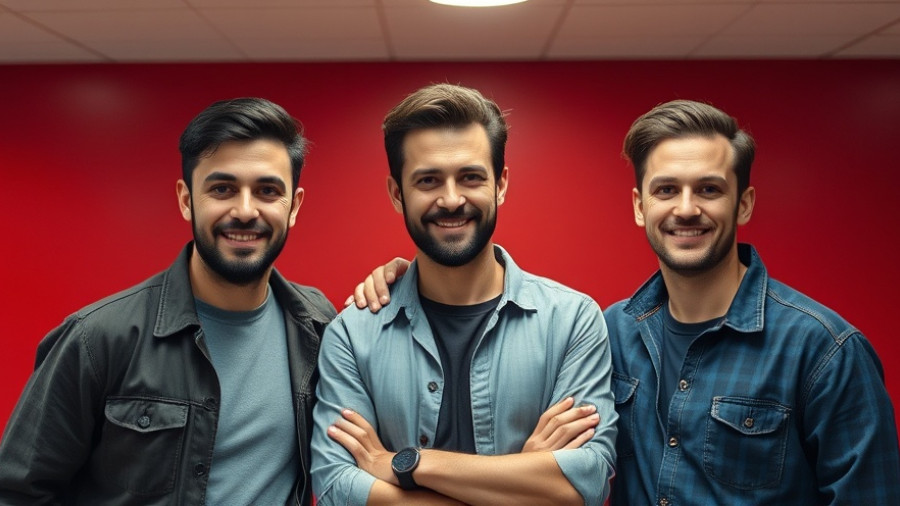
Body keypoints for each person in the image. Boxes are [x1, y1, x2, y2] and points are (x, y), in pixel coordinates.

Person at [352, 99, 900, 505]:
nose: (686, 209)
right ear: (640, 206)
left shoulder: (826, 351)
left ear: (746, 202)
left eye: (708, 189)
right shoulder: (615, 329)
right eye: (666, 190)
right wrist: (404, 278)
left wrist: (412, 464)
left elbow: (579, 482)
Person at [0, 98, 337, 505]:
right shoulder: (97, 339)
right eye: (222, 188)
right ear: (186, 199)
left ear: (294, 206)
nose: (245, 211)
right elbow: (17, 492)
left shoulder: (318, 327)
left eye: (267, 191)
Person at [310, 84, 617, 505]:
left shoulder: (573, 321)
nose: (451, 199)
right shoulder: (352, 333)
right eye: (428, 180)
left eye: (470, 177)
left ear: (501, 184)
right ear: (398, 194)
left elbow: (585, 485)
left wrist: (408, 463)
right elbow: (334, 491)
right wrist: (519, 480)